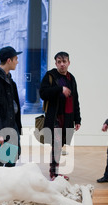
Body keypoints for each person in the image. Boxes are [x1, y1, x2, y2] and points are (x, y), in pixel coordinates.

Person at [39, 52, 81, 181]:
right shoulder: (50, 76)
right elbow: (43, 93)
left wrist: (78, 119)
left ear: (69, 62)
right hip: (55, 117)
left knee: (60, 144)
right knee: (56, 144)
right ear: (56, 63)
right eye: (59, 61)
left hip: (68, 117)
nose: (62, 64)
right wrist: (59, 89)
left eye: (64, 61)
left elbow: (75, 99)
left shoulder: (71, 78)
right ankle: (54, 174)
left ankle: (55, 172)